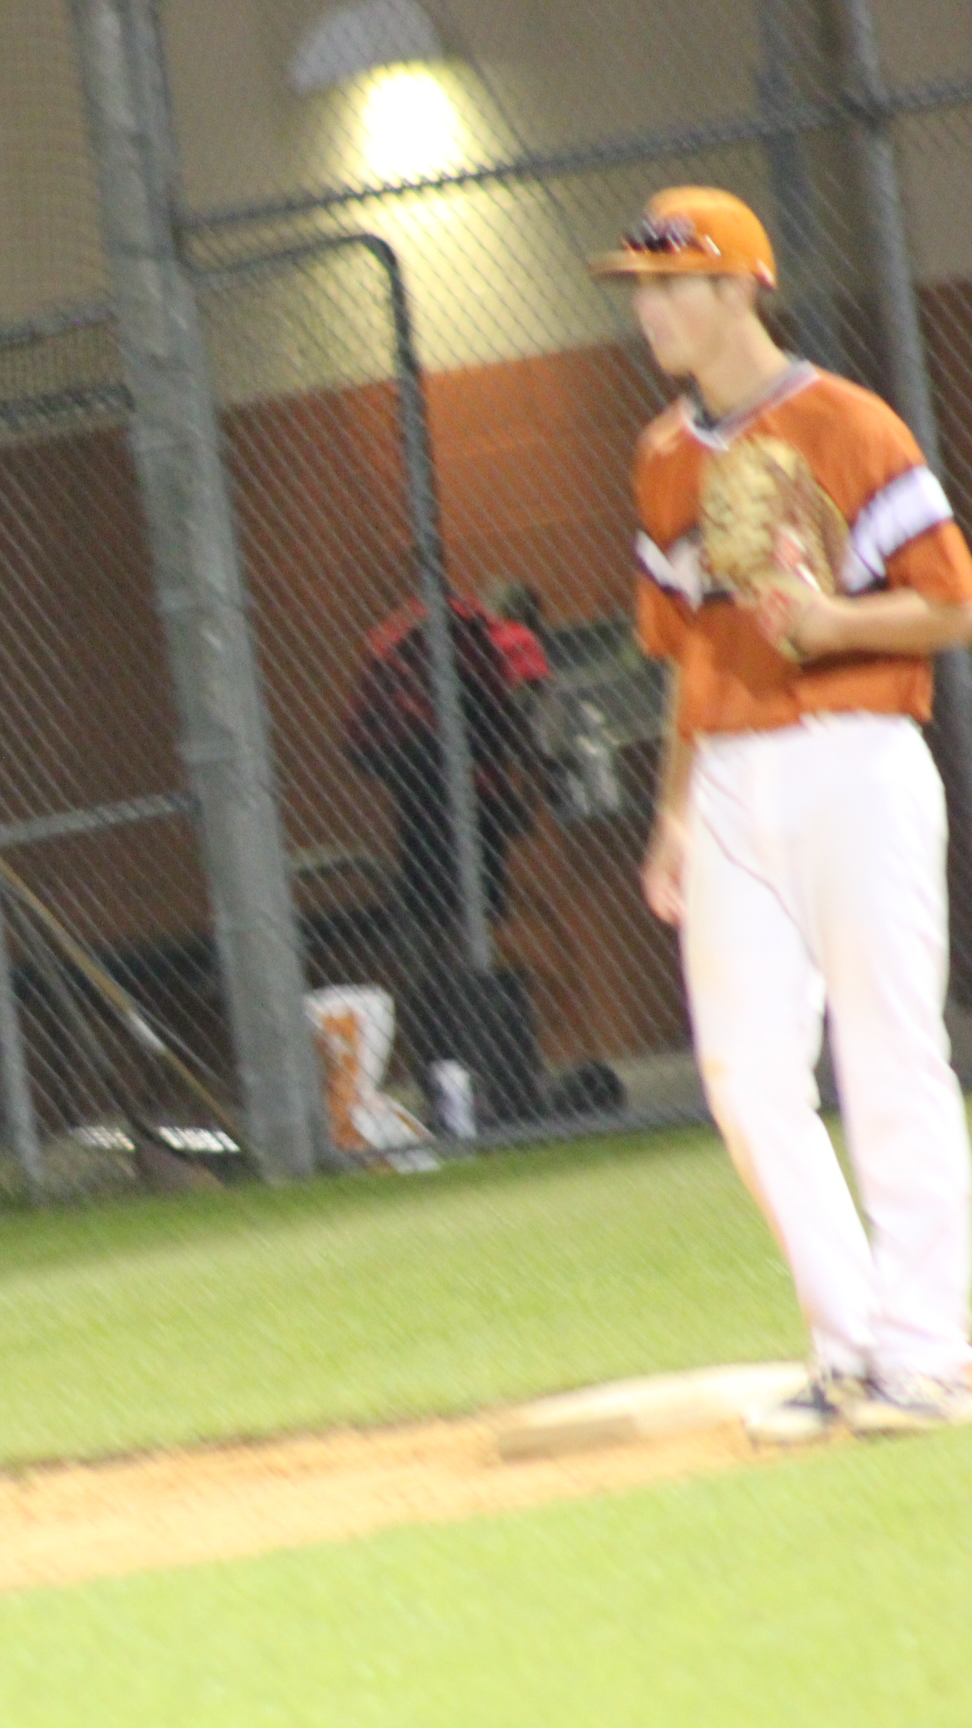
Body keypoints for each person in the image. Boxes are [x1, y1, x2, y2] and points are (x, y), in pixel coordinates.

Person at [597, 186, 972, 1441]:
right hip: (726, 778)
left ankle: (930, 1352)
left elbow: (952, 601)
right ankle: (849, 1342)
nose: (651, 309)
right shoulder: (663, 456)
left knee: (889, 1050)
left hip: (855, 755)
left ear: (741, 285)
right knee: (746, 1072)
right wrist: (670, 812)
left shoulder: (847, 423)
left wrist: (832, 621)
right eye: (641, 288)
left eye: (672, 284)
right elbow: (684, 649)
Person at [341, 586, 550, 939]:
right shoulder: (514, 639)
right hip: (472, 777)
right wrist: (527, 790)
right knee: (476, 893)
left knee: (431, 891)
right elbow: (524, 718)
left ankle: (440, 952)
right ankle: (470, 953)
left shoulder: (424, 627)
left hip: (414, 767)